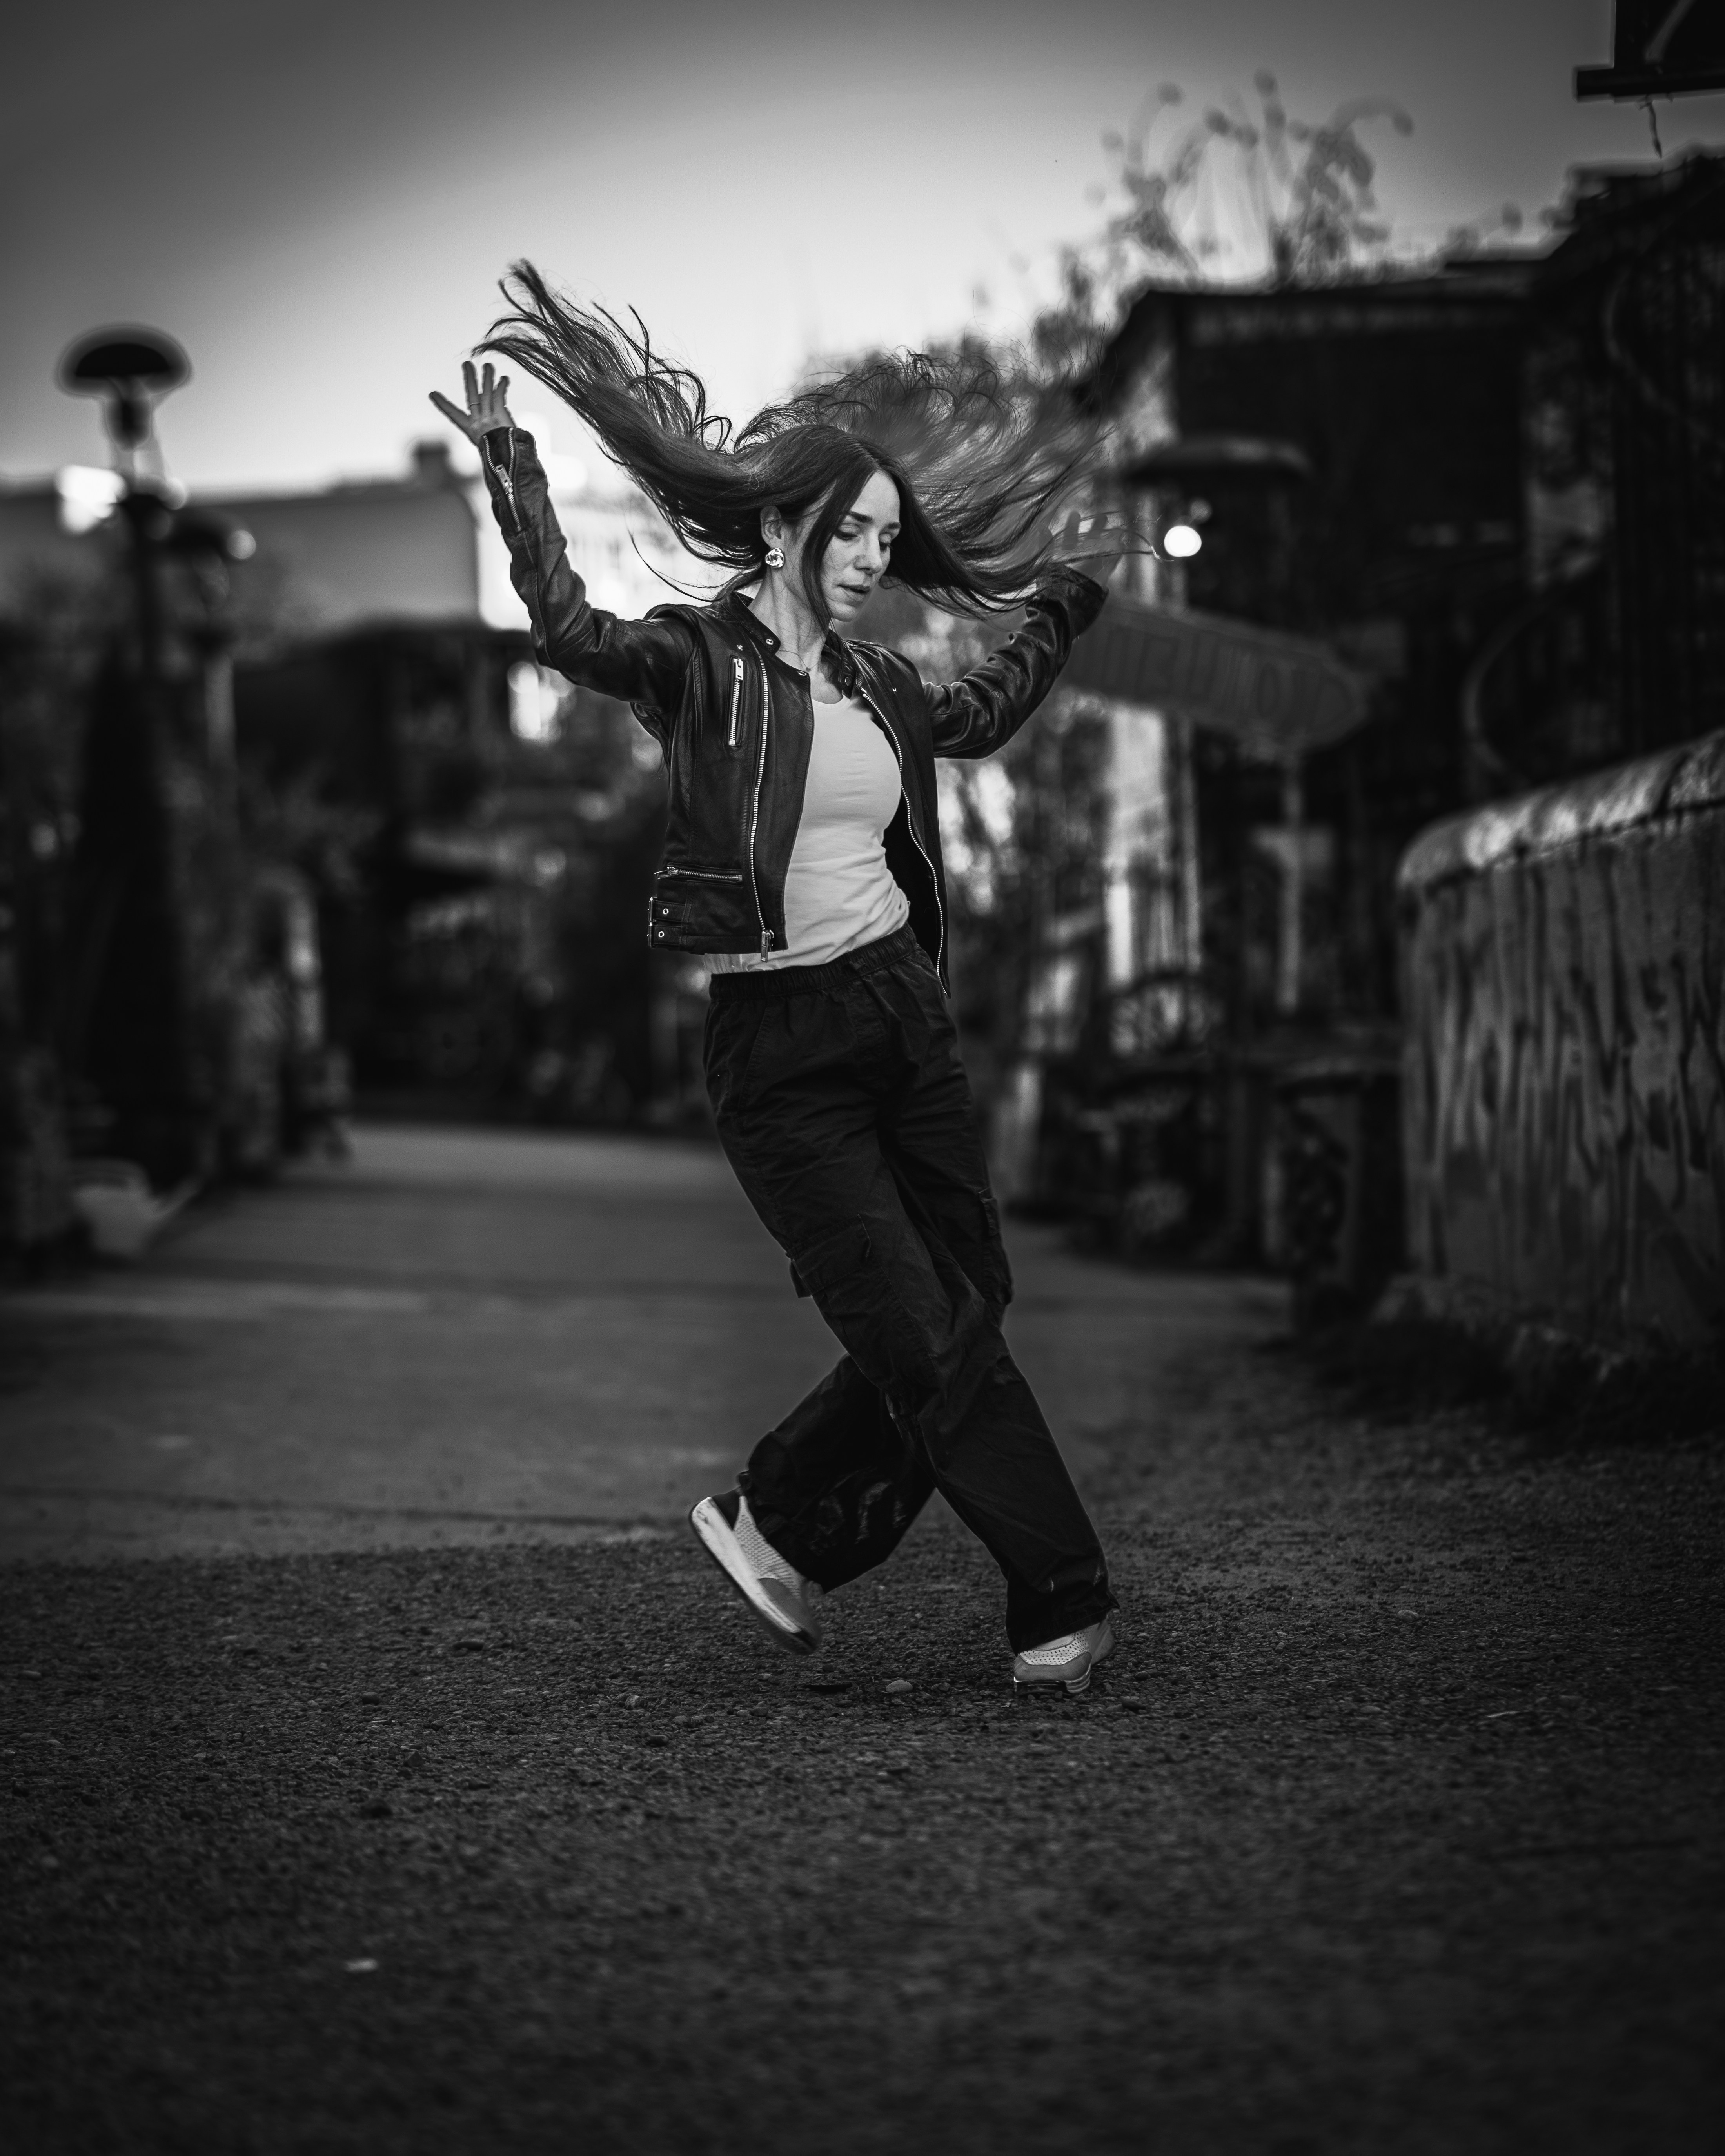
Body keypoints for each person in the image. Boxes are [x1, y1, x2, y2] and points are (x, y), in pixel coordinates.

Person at [433, 267, 1126, 1695]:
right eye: (848, 531)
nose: (871, 558)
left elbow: (983, 712)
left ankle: (783, 1522)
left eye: (885, 537)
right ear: (779, 528)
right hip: (780, 1048)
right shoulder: (697, 663)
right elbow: (572, 636)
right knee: (916, 1324)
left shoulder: (880, 686)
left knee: (967, 1292)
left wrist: (1058, 612)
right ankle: (1063, 1591)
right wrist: (516, 477)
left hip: (899, 1011)